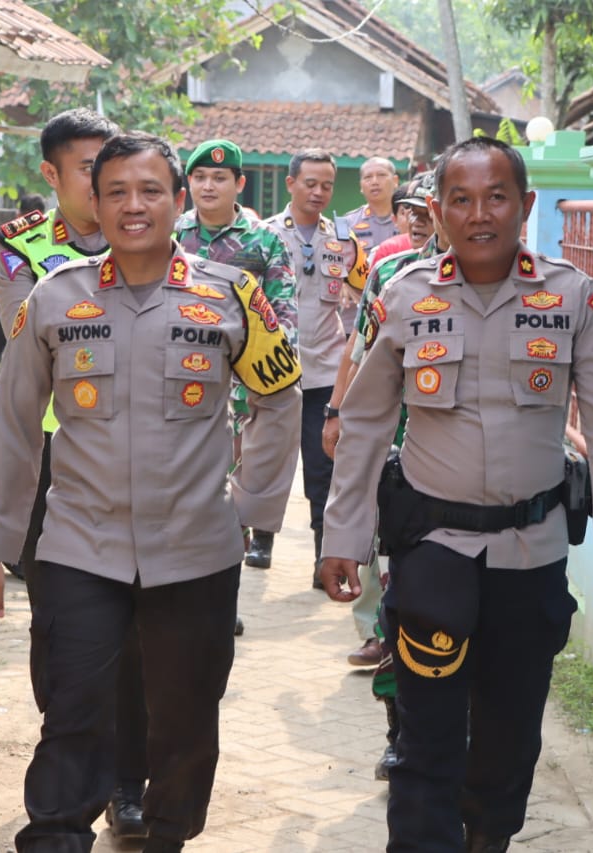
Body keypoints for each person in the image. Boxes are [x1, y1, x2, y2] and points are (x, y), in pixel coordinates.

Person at [0, 132, 302, 853]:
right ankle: (55, 833)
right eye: (115, 191)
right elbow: (14, 426)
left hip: (197, 553)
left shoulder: (232, 294)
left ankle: (169, 833)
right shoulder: (55, 299)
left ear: (179, 202)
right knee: (72, 712)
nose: (133, 205)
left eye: (150, 190)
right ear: (95, 201)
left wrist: (251, 508)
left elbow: (280, 398)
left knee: (184, 722)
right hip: (81, 547)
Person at [319, 136, 593, 852]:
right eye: (462, 200)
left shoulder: (571, 295)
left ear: (525, 206)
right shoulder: (406, 295)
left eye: (497, 197)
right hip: (434, 553)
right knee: (427, 738)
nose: (480, 215)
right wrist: (344, 536)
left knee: (509, 738)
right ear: (438, 210)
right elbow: (365, 424)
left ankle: (489, 838)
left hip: (530, 554)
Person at [323, 172, 439, 673]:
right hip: (387, 420)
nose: (417, 219)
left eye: (426, 210)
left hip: (436, 428)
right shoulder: (390, 269)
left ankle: (405, 633)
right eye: (410, 209)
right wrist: (335, 411)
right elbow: (359, 347)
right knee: (375, 520)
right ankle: (376, 631)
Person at [176, 138, 297, 570]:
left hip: (243, 378)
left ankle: (227, 578)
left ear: (239, 183)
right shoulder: (171, 235)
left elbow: (283, 307)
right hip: (179, 377)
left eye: (219, 178)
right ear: (189, 182)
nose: (209, 186)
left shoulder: (265, 240)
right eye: (201, 177)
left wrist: (274, 371)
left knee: (238, 478)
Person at [265, 149, 367, 587]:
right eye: (310, 183)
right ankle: (259, 539)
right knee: (263, 458)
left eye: (327, 184)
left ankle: (323, 555)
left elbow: (366, 290)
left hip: (325, 368)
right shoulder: (264, 235)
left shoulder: (341, 239)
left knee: (324, 465)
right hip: (271, 368)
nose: (319, 192)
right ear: (291, 184)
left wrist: (354, 254)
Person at [0, 193, 49, 379]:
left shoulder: (5, 237)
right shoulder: (50, 238)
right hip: (36, 318)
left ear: (18, 213)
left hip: (0, 314)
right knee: (27, 371)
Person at [338, 156, 401, 253]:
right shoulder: (346, 223)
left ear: (395, 181)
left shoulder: (408, 219)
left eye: (381, 175)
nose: (374, 182)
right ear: (361, 186)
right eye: (368, 177)